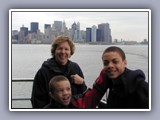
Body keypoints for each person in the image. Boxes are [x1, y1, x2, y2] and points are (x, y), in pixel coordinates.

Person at [31, 35, 87, 108]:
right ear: (54, 51)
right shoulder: (43, 72)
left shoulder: (75, 68)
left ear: (70, 53)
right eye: (60, 49)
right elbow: (37, 100)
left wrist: (82, 83)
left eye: (66, 49)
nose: (63, 52)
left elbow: (83, 95)